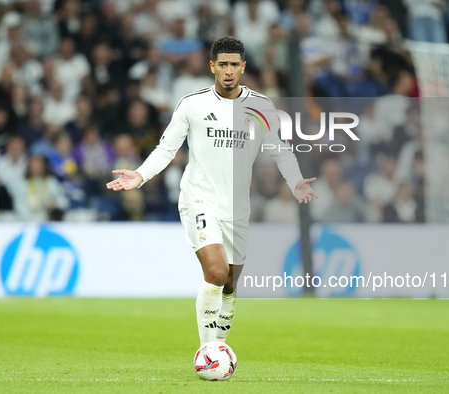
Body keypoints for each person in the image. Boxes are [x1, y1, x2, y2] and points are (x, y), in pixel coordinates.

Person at [106, 36, 318, 346]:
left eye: (234, 64)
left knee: (231, 283)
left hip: (236, 206)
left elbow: (280, 150)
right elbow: (166, 149)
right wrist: (139, 175)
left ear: (243, 67)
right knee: (217, 272)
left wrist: (295, 180)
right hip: (199, 198)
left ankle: (219, 343)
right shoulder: (193, 104)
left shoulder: (260, 106)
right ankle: (209, 350)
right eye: (223, 65)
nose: (229, 70)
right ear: (212, 67)